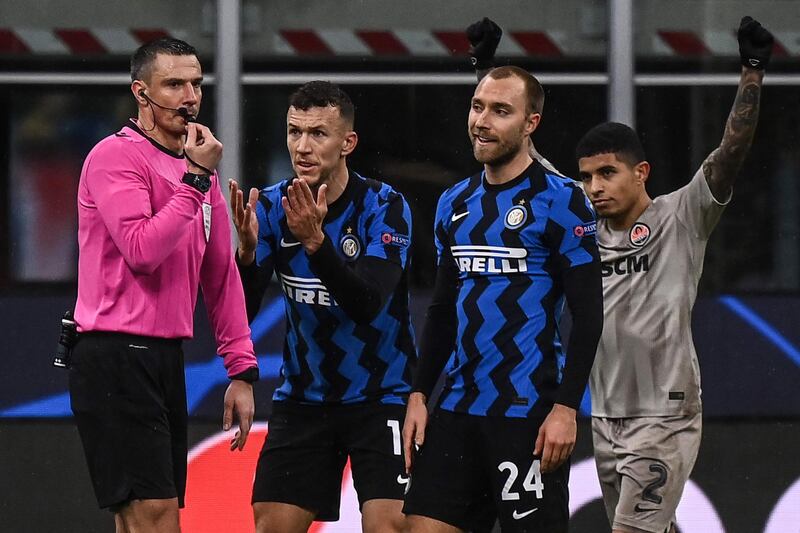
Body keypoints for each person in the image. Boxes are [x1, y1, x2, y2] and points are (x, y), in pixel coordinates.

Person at [574, 16, 774, 533]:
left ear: (641, 172)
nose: (594, 187)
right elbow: (523, 157)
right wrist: (483, 68)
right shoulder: (580, 226)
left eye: (607, 173)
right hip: (604, 415)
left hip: (663, 416)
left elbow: (730, 154)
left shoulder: (682, 215)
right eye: (587, 177)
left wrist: (752, 71)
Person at [401, 65, 604, 532]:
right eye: (477, 107)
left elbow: (589, 314)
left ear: (530, 124)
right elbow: (441, 309)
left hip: (527, 412)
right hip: (456, 408)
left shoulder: (563, 201)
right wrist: (418, 393)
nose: (482, 121)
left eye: (500, 111)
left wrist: (566, 408)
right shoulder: (454, 201)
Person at [69, 37, 258, 533]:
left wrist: (241, 370)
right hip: (114, 355)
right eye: (174, 84)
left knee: (144, 515)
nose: (190, 96)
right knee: (151, 514)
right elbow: (142, 250)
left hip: (162, 357)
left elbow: (220, 274)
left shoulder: (201, 174)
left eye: (196, 83)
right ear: (141, 93)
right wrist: (195, 179)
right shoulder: (114, 158)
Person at [229, 81, 415, 533]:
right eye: (294, 132)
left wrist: (316, 244)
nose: (303, 147)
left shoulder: (384, 207)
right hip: (304, 397)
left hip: (382, 395)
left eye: (318, 134)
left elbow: (367, 302)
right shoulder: (272, 206)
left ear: (348, 142)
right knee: (271, 523)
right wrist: (248, 255)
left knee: (389, 525)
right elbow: (242, 310)